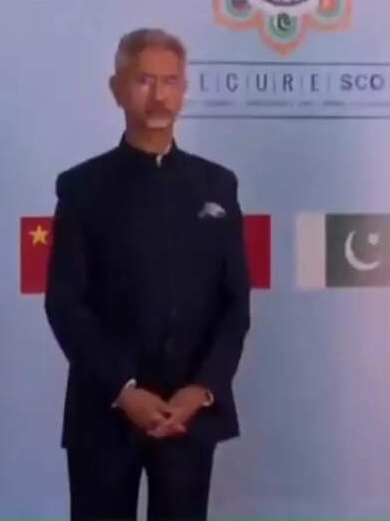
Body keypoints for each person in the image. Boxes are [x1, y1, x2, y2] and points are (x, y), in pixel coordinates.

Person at [45, 28, 250, 520]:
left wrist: (201, 389)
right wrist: (124, 391)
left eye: (170, 81)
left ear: (184, 89)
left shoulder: (217, 184)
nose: (159, 96)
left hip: (188, 415)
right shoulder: (82, 187)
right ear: (117, 89)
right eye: (144, 81)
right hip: (104, 411)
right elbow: (65, 303)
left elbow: (235, 304)